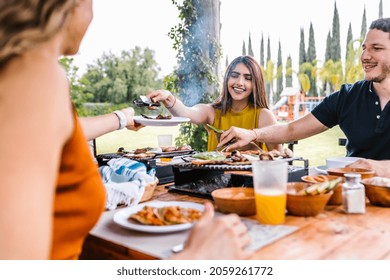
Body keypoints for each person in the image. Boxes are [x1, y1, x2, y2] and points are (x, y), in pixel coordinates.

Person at [0, 0, 251, 260]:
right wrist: (198, 257)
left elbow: (57, 130)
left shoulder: (19, 72)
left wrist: (122, 117)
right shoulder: (31, 74)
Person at [219, 18, 390, 165]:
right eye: (364, 48)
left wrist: (378, 168)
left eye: (376, 48)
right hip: (354, 191)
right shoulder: (347, 97)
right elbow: (290, 130)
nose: (365, 57)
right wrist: (252, 134)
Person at [146, 56, 282, 152]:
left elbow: (278, 159)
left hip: (250, 184)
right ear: (227, 78)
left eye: (248, 78)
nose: (239, 82)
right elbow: (186, 113)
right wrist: (168, 97)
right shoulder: (212, 111)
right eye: (234, 75)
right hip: (215, 182)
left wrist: (253, 149)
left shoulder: (264, 116)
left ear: (255, 84)